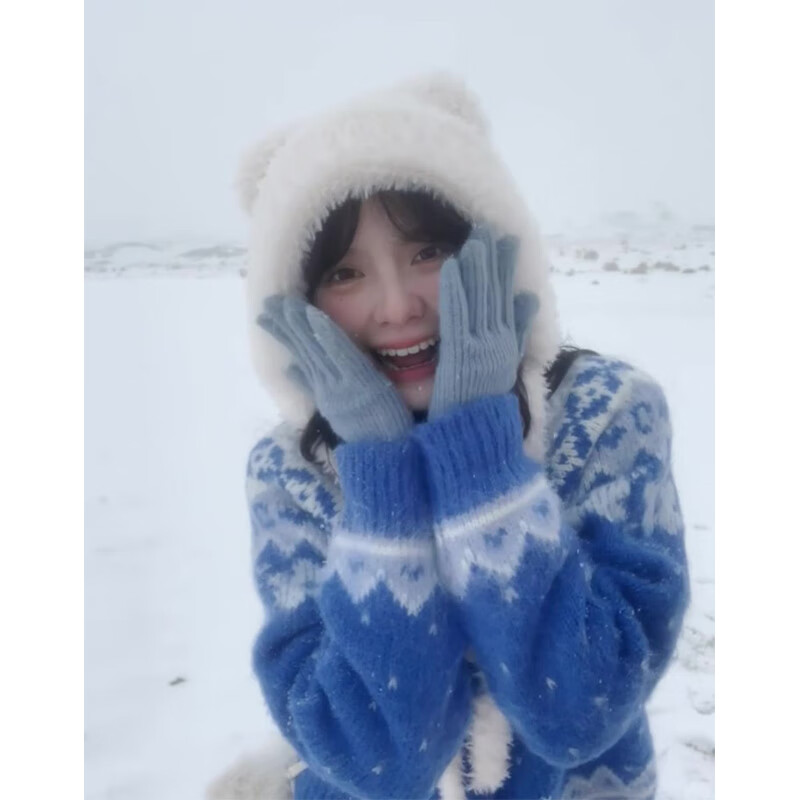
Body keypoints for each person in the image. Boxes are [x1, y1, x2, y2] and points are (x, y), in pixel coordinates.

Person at [217, 73, 689, 800]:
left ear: (494, 248)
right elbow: (374, 759)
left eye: (427, 252)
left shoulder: (605, 416)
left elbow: (581, 714)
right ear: (298, 302)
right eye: (345, 272)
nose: (397, 307)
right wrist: (379, 479)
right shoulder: (289, 472)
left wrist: (481, 458)